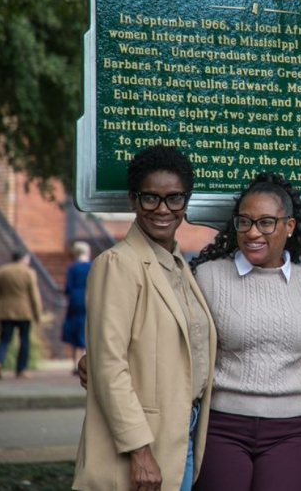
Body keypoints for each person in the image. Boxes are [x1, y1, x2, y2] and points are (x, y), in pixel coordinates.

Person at [73, 145, 217, 491]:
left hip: (182, 432)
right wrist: (139, 451)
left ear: (186, 201)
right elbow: (109, 365)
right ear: (133, 200)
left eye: (174, 199)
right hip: (143, 444)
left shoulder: (179, 265)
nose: (163, 209)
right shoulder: (119, 263)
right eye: (150, 198)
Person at [188, 172, 301, 491]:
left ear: (288, 226)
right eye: (245, 222)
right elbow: (185, 352)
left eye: (266, 222)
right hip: (222, 426)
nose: (253, 232)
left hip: (290, 432)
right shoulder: (209, 278)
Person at [0, 248, 42, 379]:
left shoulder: (2, 271)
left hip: (5, 311)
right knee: (24, 340)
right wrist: (37, 314)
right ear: (24, 258)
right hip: (24, 311)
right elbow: (34, 296)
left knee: (4, 339)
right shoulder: (29, 272)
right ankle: (21, 369)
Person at [61, 241, 91, 372]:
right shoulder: (92, 265)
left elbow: (67, 287)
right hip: (90, 298)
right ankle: (87, 363)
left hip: (75, 300)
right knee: (88, 329)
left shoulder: (72, 267)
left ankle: (75, 364)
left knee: (75, 329)